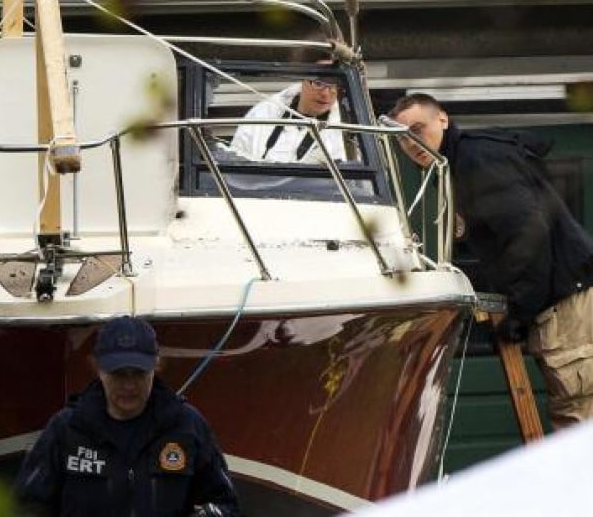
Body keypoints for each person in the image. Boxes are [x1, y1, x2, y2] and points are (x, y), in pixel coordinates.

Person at [390, 93, 593, 428]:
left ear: (443, 119)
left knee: (578, 416)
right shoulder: (455, 165)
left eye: (418, 129)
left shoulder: (476, 159)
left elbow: (528, 233)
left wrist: (519, 309)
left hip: (566, 302)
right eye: (403, 138)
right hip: (561, 298)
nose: (412, 142)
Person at [13, 316, 242, 516]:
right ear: (99, 369)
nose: (129, 385)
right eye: (118, 374)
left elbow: (225, 504)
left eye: (139, 373)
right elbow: (27, 506)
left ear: (156, 366)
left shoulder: (188, 426)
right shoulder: (66, 428)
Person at [229, 76, 347, 163]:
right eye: (318, 83)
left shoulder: (345, 130)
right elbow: (236, 160)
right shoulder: (264, 112)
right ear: (303, 79)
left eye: (334, 85)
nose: (326, 93)